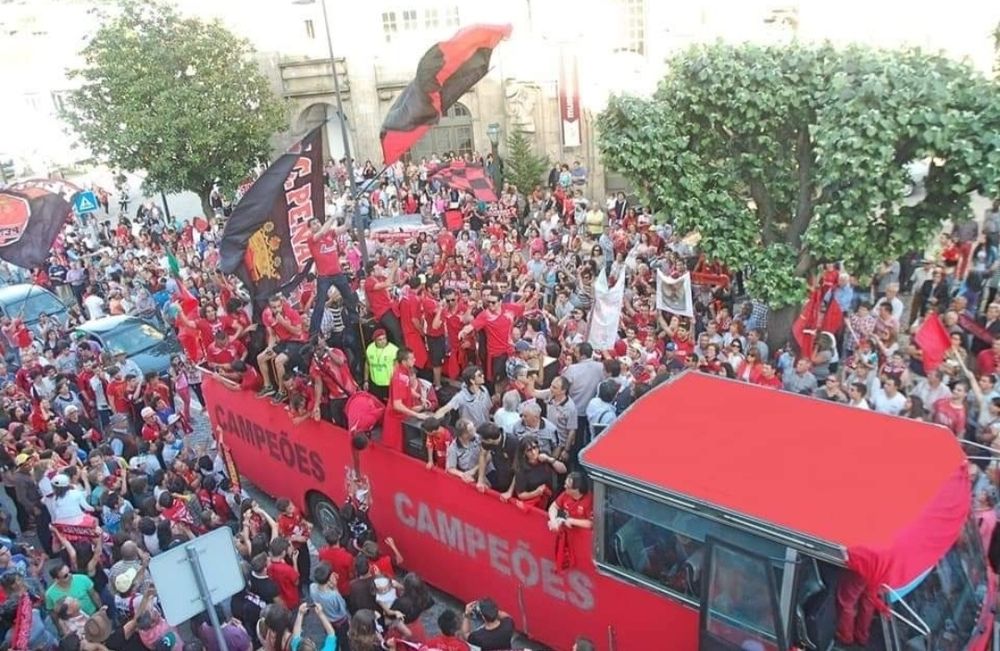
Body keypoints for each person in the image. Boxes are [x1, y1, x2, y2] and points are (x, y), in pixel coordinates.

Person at [257, 295, 307, 402]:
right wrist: (270, 347)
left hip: (297, 341)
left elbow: (298, 332)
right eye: (274, 307)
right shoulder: (266, 314)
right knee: (260, 357)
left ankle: (282, 391)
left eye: (278, 306)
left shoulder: (291, 312)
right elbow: (272, 334)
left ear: (282, 305)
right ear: (269, 307)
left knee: (278, 361)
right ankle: (268, 386)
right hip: (283, 342)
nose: (277, 309)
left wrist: (283, 323)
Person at [503, 435, 567, 509]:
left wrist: (549, 459)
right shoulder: (521, 469)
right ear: (524, 453)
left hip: (553, 499)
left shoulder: (544, 455)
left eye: (535, 448)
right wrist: (536, 493)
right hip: (537, 504)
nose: (533, 452)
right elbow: (521, 494)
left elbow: (563, 470)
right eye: (529, 450)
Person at [364, 329, 397, 402]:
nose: (383, 341)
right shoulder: (370, 348)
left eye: (384, 338)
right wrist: (366, 380)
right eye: (380, 340)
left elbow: (399, 367)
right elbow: (367, 364)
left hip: (389, 384)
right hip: (375, 384)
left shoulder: (393, 350)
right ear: (375, 340)